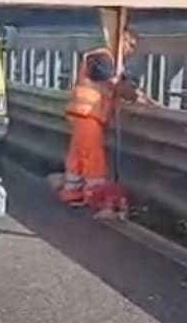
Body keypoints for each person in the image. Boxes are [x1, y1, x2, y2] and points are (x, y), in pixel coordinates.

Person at [59, 30, 146, 206]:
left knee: (78, 156)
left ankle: (72, 192)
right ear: (121, 41)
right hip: (89, 114)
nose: (132, 50)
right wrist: (134, 95)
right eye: (130, 45)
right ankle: (94, 195)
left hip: (83, 114)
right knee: (93, 158)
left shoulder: (108, 61)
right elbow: (111, 81)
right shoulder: (103, 57)